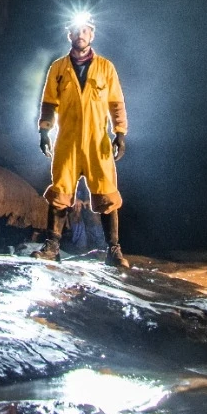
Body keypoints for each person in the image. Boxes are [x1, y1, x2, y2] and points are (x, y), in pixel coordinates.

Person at [32, 16, 128, 268]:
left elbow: (116, 102)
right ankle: (52, 247)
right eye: (76, 31)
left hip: (98, 142)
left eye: (85, 30)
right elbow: (49, 102)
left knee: (107, 194)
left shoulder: (106, 68)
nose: (80, 34)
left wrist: (120, 132)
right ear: (70, 35)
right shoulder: (58, 68)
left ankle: (114, 251)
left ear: (91, 35)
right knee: (60, 192)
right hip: (68, 141)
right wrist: (44, 131)